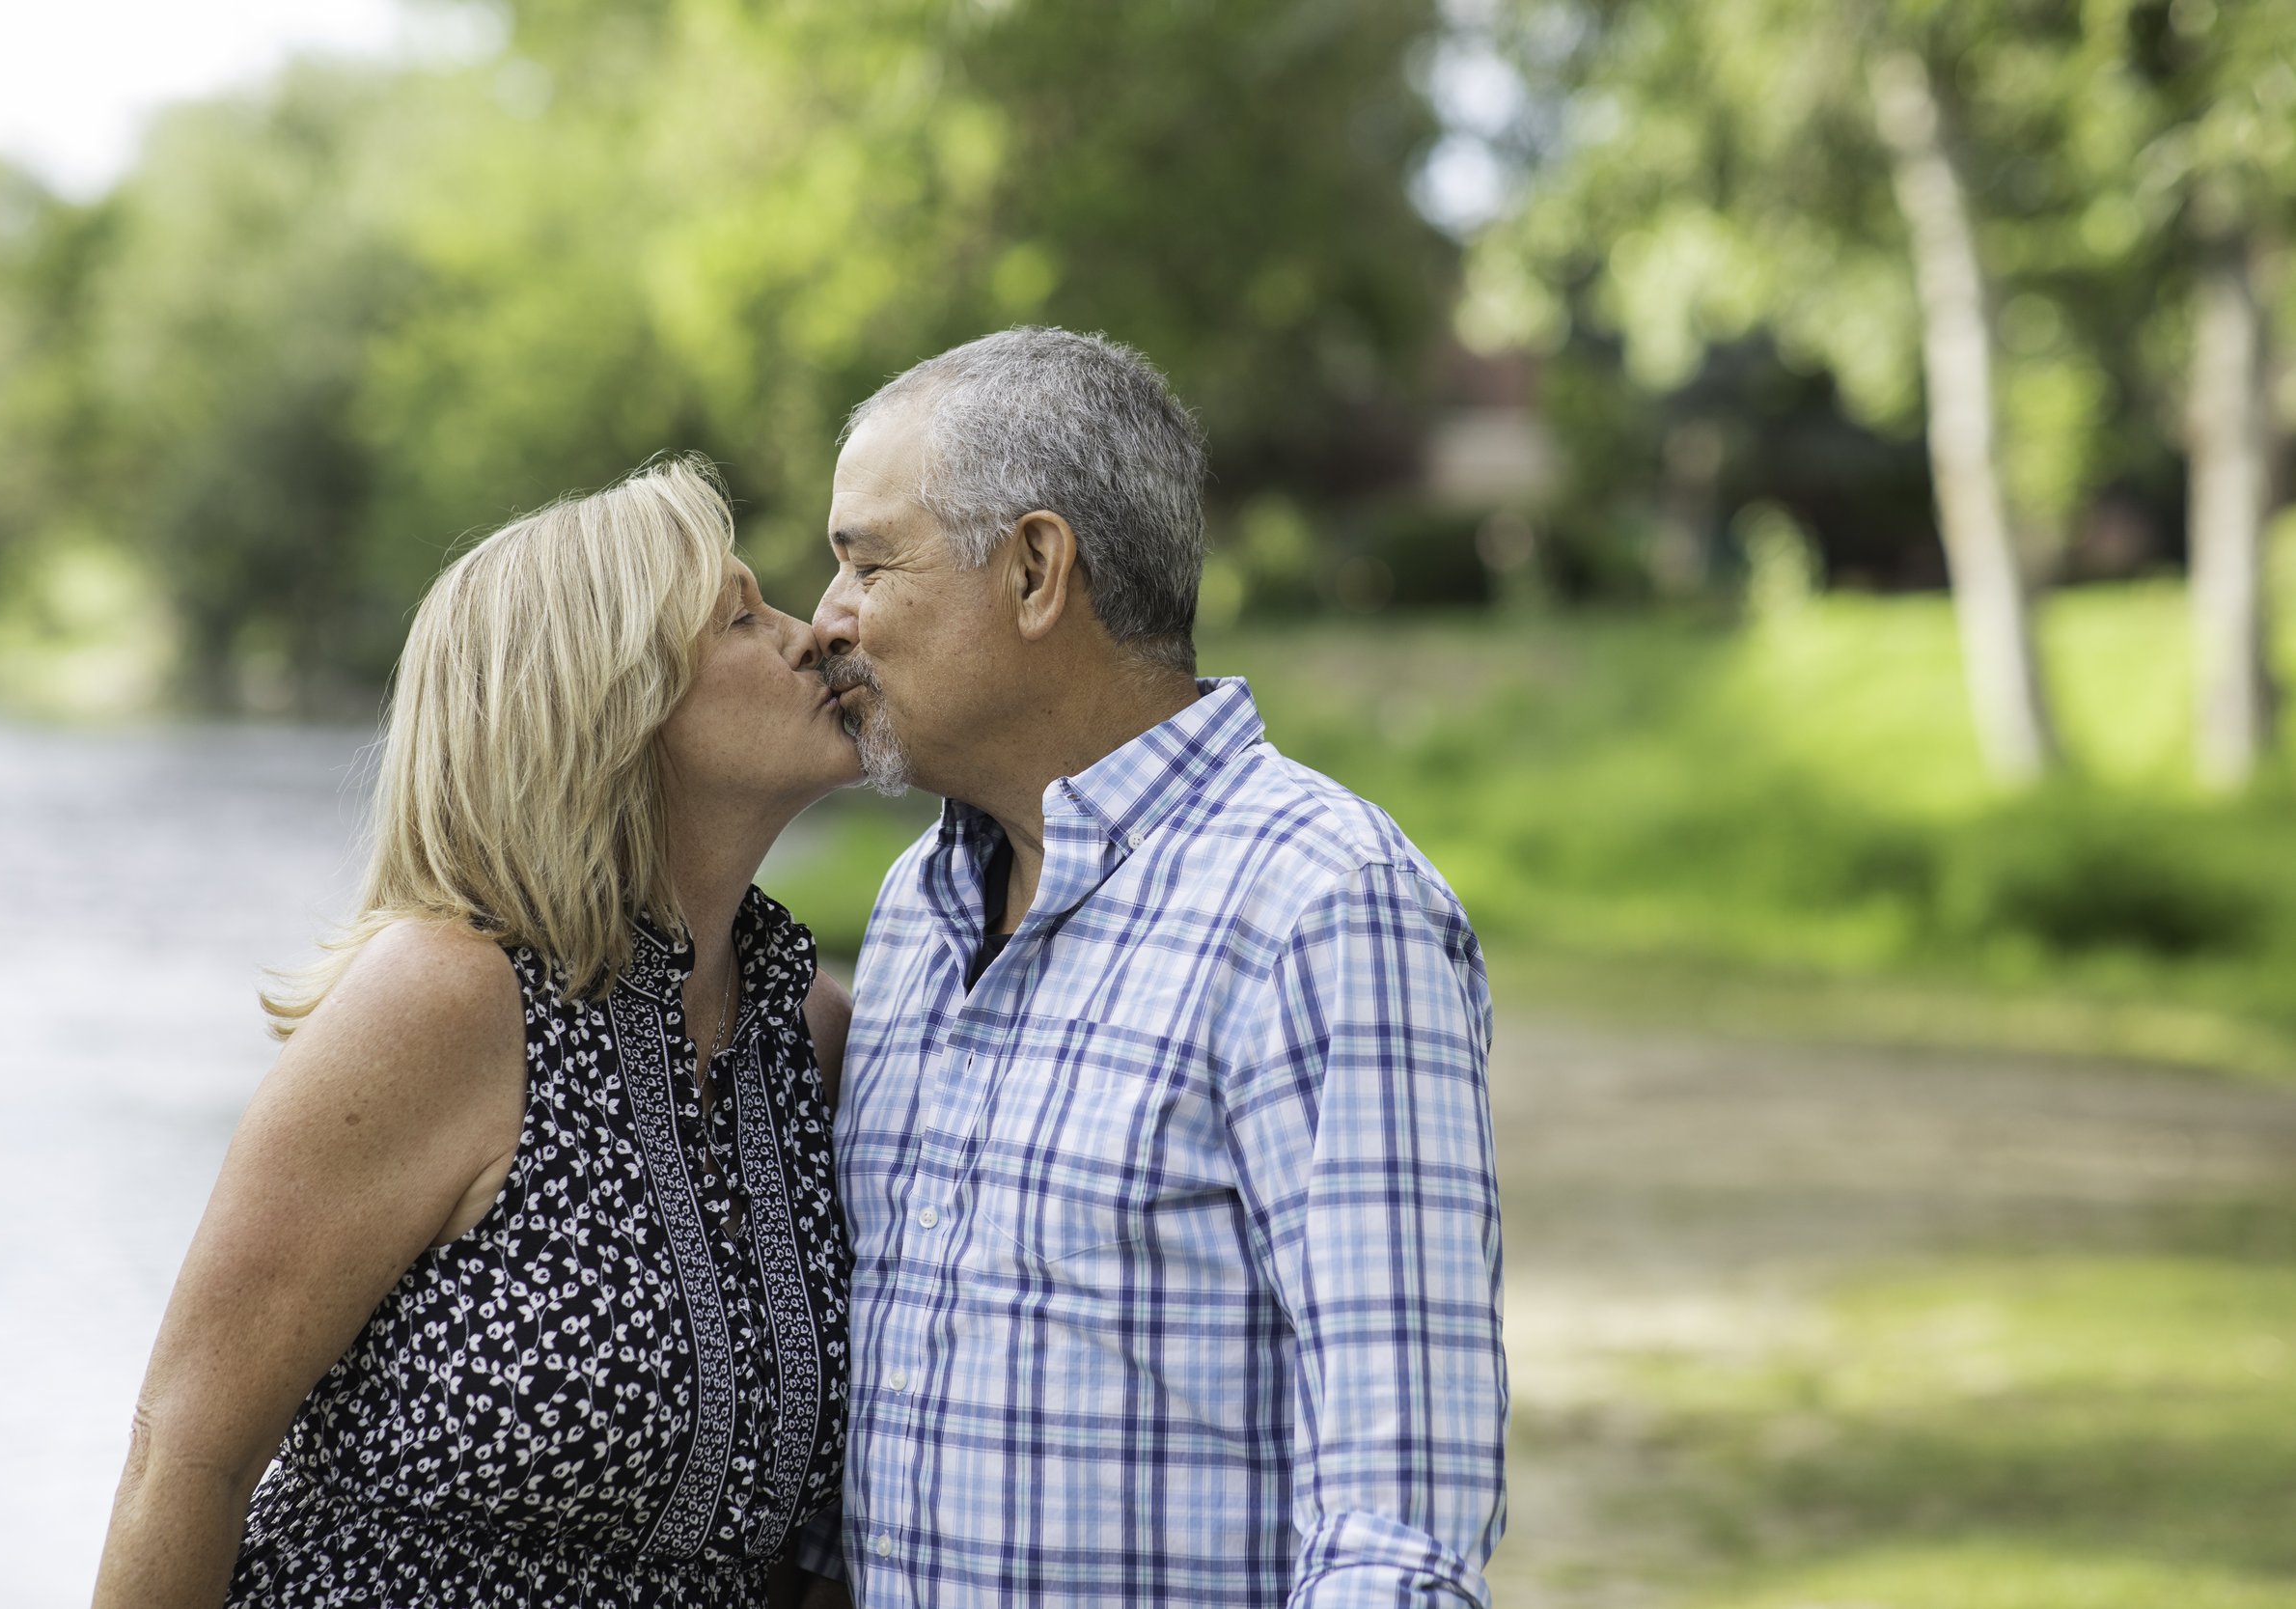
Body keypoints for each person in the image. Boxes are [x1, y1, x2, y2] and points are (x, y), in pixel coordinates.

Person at [815, 327, 1508, 1607]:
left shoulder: (1321, 902)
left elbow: (1397, 1522)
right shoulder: (918, 903)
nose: (829, 621)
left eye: (868, 562)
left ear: (1033, 568)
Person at [95, 458, 858, 1609]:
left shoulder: (811, 1030)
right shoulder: (447, 1001)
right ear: (611, 699)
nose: (809, 635)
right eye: (742, 615)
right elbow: (185, 1455)